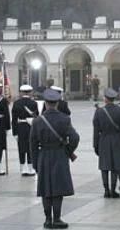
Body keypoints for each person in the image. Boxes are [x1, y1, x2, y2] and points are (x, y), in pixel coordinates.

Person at [30, 89, 80, 229]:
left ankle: (47, 220)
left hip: (44, 156)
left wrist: (35, 163)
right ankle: (57, 219)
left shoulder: (37, 121)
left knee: (46, 189)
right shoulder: (65, 119)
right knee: (58, 189)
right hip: (59, 155)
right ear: (57, 103)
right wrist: (68, 151)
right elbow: (75, 137)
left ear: (45, 104)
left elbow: (32, 144)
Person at [93, 88, 120, 198]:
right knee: (114, 167)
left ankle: (106, 190)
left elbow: (96, 131)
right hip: (117, 139)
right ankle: (113, 190)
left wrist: (96, 145)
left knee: (104, 167)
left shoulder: (99, 112)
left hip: (104, 140)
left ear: (105, 99)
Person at [11, 84, 38, 176]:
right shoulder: (34, 103)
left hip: (20, 127)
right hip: (30, 127)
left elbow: (14, 119)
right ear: (30, 92)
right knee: (30, 147)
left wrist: (14, 132)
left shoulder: (16, 103)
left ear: (21, 92)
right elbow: (36, 117)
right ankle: (30, 169)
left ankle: (22, 169)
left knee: (21, 148)